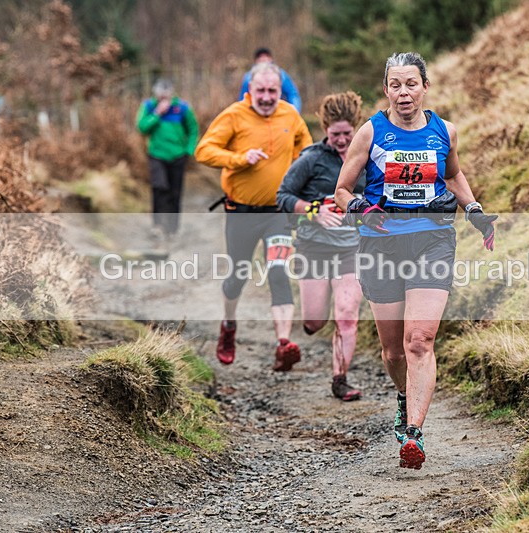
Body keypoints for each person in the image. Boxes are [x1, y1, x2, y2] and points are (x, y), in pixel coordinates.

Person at [335, 52, 497, 469]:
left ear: (425, 87)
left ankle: (414, 433)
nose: (403, 93)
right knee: (393, 352)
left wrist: (475, 211)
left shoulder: (445, 131)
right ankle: (403, 397)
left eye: (411, 84)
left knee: (419, 341)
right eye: (395, 85)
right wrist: (361, 209)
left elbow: (452, 175)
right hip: (381, 244)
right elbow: (342, 190)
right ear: (385, 89)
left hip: (432, 241)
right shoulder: (371, 133)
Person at [195, 62, 313, 371]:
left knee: (278, 270)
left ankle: (283, 345)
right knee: (238, 276)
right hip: (241, 213)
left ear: (280, 90)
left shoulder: (290, 114)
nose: (266, 97)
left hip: (278, 213)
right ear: (250, 90)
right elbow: (204, 151)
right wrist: (238, 159)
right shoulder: (234, 114)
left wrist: (301, 173)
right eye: (260, 90)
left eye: (272, 90)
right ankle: (229, 325)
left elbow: (307, 150)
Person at [277, 91, 366, 401]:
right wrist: (314, 211)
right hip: (313, 247)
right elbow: (283, 196)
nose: (342, 140)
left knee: (346, 313)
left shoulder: (367, 156)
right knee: (315, 321)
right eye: (335, 134)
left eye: (347, 134)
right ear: (325, 129)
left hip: (352, 247)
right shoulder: (311, 159)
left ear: (356, 127)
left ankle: (340, 379)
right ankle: (311, 326)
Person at [136, 78, 199, 238]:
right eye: (160, 96)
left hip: (178, 155)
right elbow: (142, 127)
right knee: (159, 187)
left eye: (166, 96)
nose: (163, 99)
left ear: (171, 94)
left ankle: (172, 229)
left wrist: (189, 150)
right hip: (157, 155)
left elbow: (193, 129)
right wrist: (157, 114)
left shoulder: (182, 108)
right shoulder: (149, 107)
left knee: (175, 192)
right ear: (156, 95)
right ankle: (157, 225)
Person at [238, 47, 302, 113]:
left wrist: (295, 110)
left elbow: (292, 94)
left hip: (277, 111)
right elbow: (243, 97)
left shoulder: (281, 75)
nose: (266, 97)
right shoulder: (248, 77)